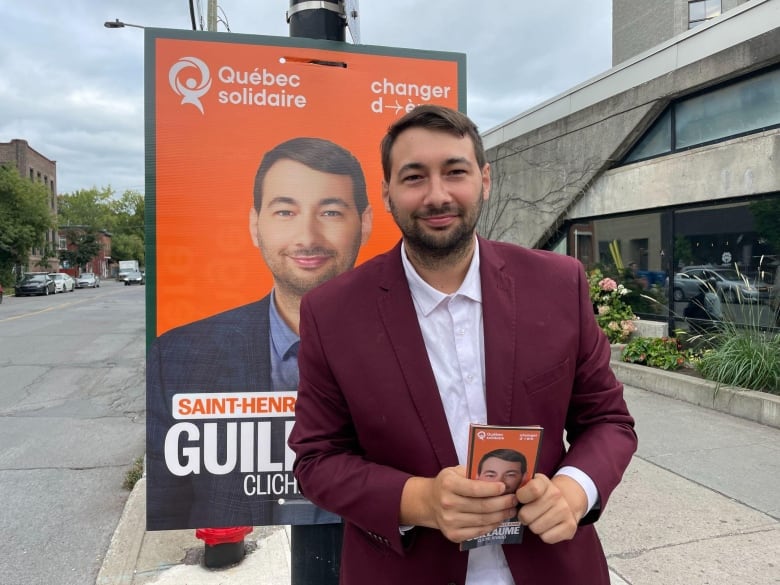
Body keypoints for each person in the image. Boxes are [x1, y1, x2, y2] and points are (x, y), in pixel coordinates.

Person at [289, 105, 637, 584]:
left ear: (484, 179)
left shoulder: (559, 285)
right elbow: (317, 460)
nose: (437, 195)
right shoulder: (332, 313)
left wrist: (575, 491)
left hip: (555, 568)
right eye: (414, 177)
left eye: (455, 172)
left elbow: (608, 421)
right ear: (387, 192)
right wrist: (422, 501)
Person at [146, 137, 372, 530]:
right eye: (285, 211)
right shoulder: (179, 355)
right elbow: (168, 514)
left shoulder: (419, 344)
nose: (308, 237)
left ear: (364, 224)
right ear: (255, 226)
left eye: (331, 212)